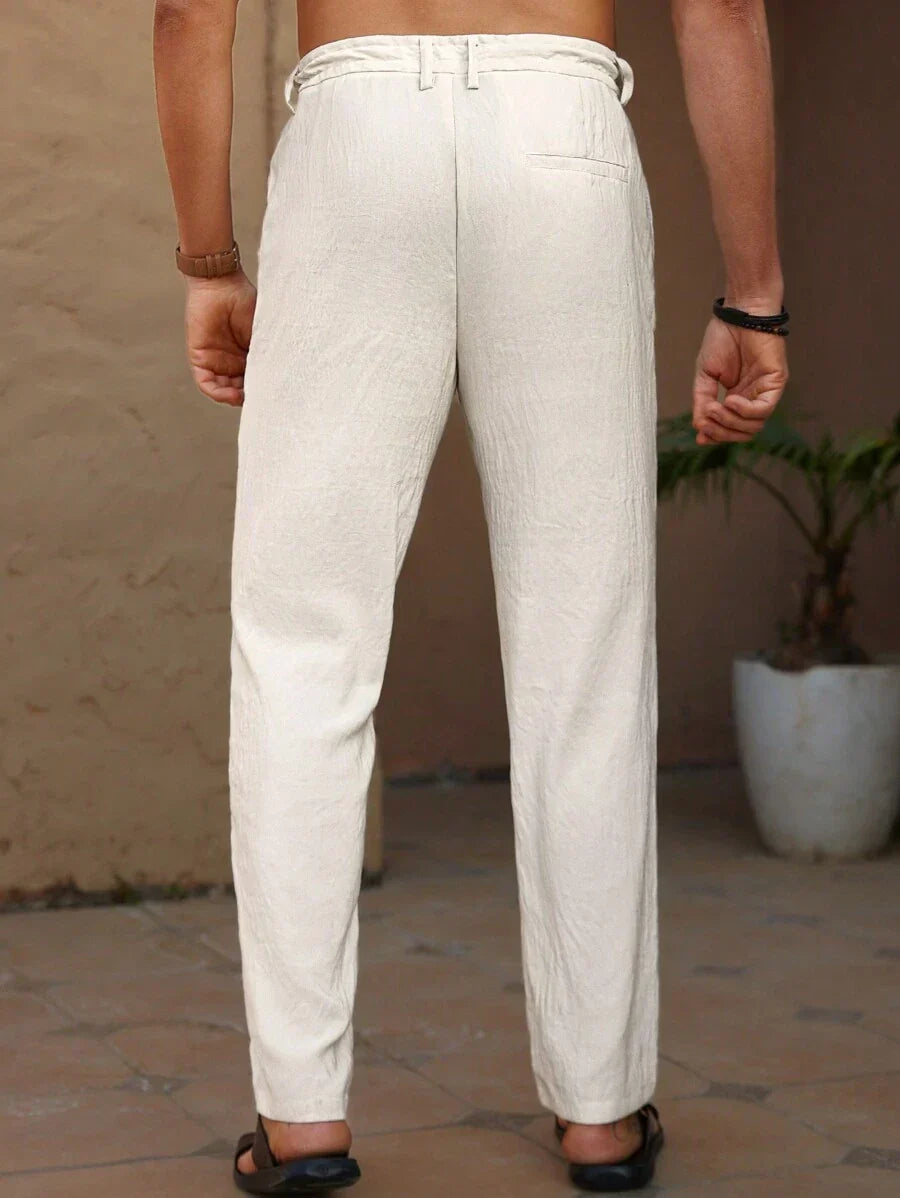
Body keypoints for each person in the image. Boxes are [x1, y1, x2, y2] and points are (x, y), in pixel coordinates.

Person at [154, 0, 788, 1191]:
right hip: (560, 134)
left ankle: (301, 1117)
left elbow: (192, 12)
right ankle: (600, 1111)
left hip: (353, 140)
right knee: (584, 645)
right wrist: (754, 292)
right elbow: (720, 9)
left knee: (303, 648)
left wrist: (208, 261)